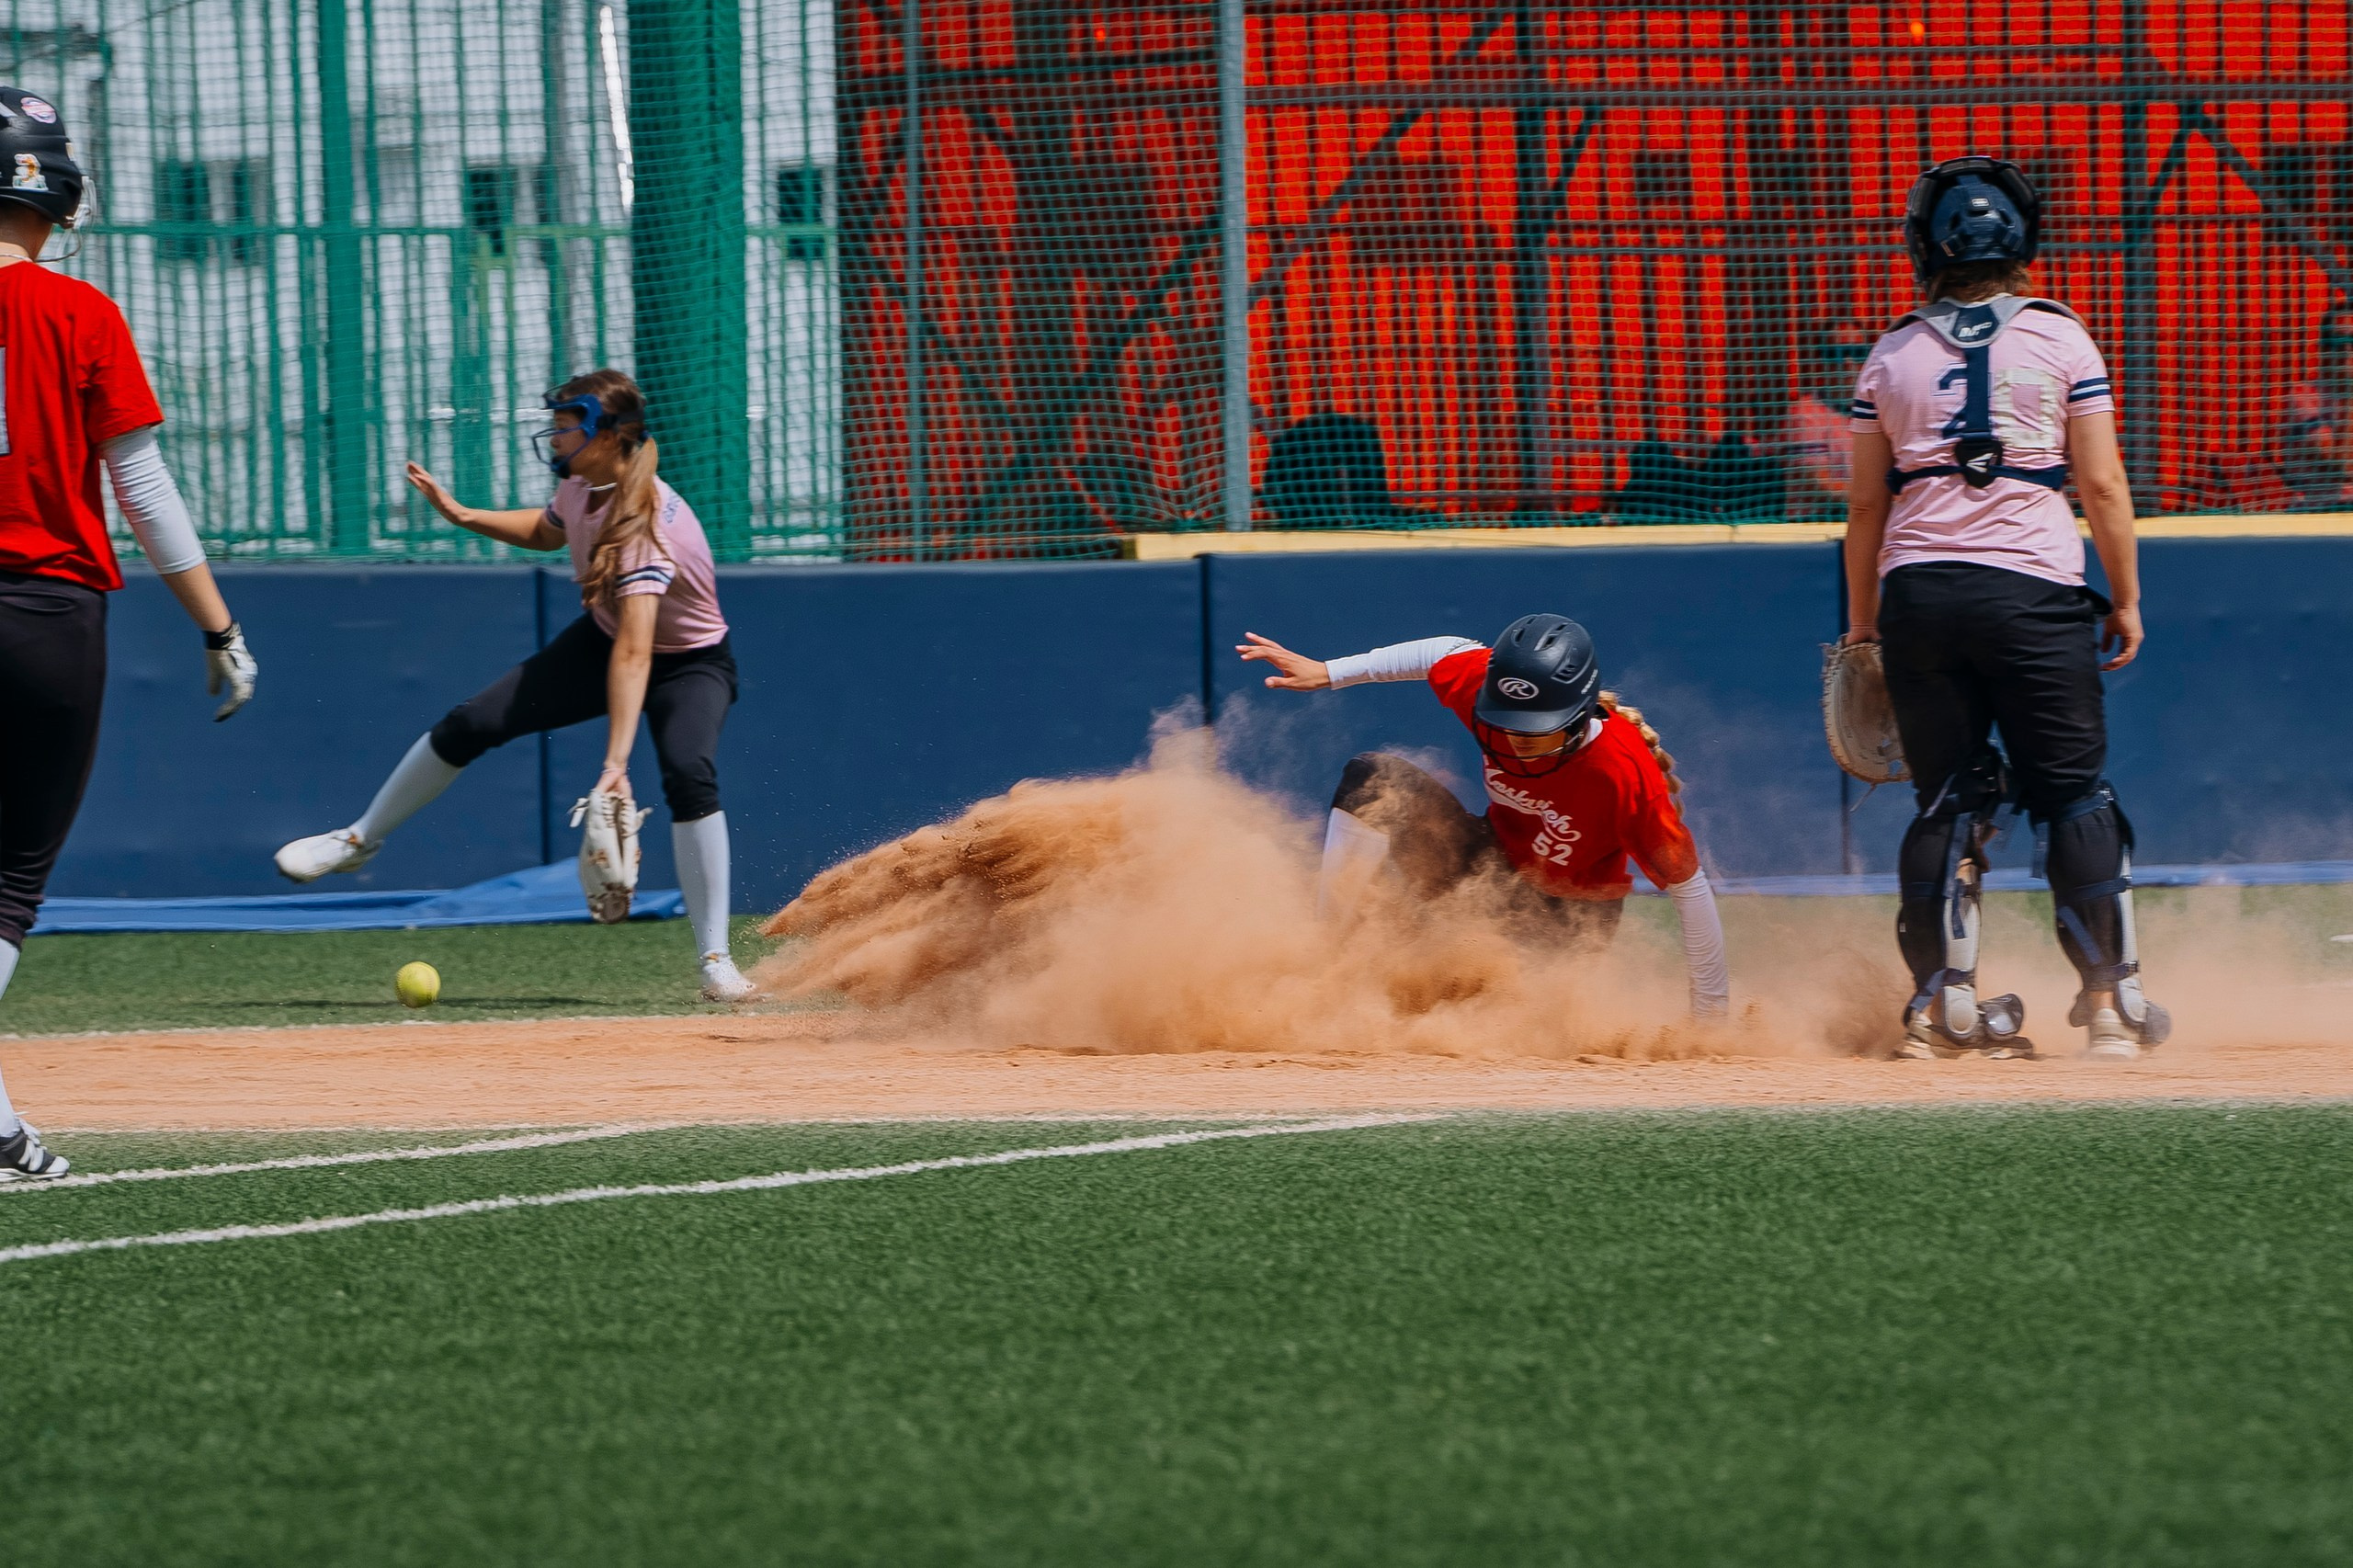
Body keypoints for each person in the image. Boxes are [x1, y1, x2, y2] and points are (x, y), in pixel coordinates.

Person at [271, 369, 755, 1003]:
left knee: (688, 772)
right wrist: (462, 513)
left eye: (566, 428)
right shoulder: (587, 486)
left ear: (611, 435)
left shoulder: (647, 526)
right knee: (471, 723)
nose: (554, 439)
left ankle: (715, 960)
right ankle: (358, 839)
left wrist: (614, 766)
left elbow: (638, 655)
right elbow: (547, 531)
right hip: (605, 640)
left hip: (689, 662)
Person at [1843, 154, 2166, 1062]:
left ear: (1926, 246)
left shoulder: (1891, 351)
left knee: (1945, 799)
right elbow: (2100, 483)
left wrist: (1865, 623)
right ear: (2023, 241)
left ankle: (1938, 1004)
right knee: (2072, 795)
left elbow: (1865, 507)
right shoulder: (2064, 339)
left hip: (1920, 593)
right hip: (2033, 591)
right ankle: (2112, 1003)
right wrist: (2128, 598)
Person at [0, 86, 258, 1180]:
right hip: (44, 608)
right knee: (10, 877)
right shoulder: (80, 313)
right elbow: (142, 488)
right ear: (50, 183)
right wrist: (219, 625)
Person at [1237, 614, 1730, 1019]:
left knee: (1491, 1015)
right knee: (1372, 778)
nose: (1516, 738)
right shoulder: (1488, 699)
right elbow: (1443, 651)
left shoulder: (1624, 773)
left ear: (1579, 717)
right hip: (1484, 867)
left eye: (1535, 729)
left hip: (1567, 915)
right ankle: (1325, 964)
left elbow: (1690, 889)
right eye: (1508, 721)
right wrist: (1330, 672)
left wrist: (1711, 1016)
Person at [2275, 303, 2353, 510]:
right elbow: (2340, 466)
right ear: (2323, 349)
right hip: (2324, 512)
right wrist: (2348, 394)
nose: (2347, 350)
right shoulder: (2303, 398)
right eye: (2338, 341)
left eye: (2352, 341)